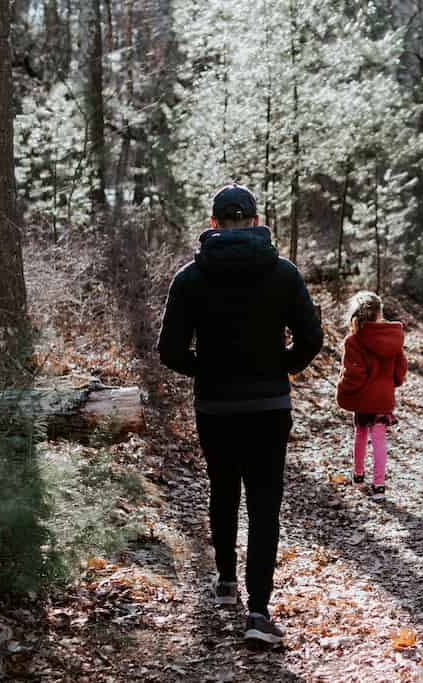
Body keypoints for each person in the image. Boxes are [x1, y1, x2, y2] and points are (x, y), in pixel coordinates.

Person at [157, 183, 323, 645]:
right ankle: (258, 611)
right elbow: (312, 338)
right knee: (265, 504)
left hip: (215, 406)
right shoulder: (283, 273)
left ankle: (226, 582)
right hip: (269, 406)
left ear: (213, 223)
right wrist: (280, 368)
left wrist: (205, 371)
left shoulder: (190, 277)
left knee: (223, 489)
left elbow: (168, 349)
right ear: (254, 221)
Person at [335, 292, 407, 502]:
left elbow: (353, 375)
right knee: (379, 440)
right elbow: (401, 369)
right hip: (383, 398)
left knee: (360, 434)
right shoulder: (393, 338)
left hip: (362, 399)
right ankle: (379, 486)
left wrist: (344, 389)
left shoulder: (354, 340)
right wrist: (391, 383)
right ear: (379, 312)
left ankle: (358, 476)